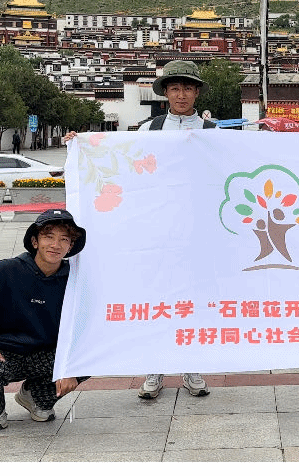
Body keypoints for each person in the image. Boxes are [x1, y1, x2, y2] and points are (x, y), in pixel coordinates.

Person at [64, 59, 215, 399]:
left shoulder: (214, 132)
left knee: (192, 299)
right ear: (165, 93)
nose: (181, 94)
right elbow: (120, 160)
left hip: (196, 231)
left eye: (187, 88)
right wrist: (80, 144)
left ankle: (191, 365)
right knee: (156, 296)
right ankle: (154, 366)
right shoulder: (148, 130)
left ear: (196, 92)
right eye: (174, 88)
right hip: (155, 229)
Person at [0, 208, 89, 430]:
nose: (55, 245)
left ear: (70, 246)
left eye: (64, 239)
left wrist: (72, 368)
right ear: (35, 241)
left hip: (46, 353)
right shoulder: (5, 270)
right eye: (48, 237)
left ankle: (35, 397)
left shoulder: (75, 278)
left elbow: (89, 322)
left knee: (89, 357)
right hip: (3, 352)